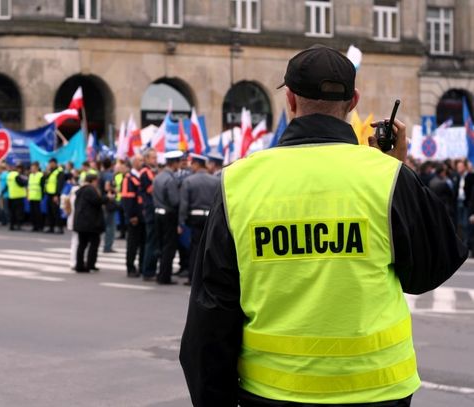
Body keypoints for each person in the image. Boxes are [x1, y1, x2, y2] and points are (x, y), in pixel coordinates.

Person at [180, 45, 468, 407]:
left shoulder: (238, 182)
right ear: (353, 101)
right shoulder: (388, 178)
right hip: (377, 393)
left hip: (273, 393)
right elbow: (430, 270)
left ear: (290, 100)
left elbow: (210, 317)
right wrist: (399, 170)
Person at [178, 153, 220, 286]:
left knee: (195, 248)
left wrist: (181, 221)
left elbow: (184, 204)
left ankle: (192, 278)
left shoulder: (189, 180)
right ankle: (209, 278)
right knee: (210, 248)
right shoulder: (215, 180)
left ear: (196, 164)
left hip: (194, 218)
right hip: (211, 217)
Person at [73, 173, 114, 272]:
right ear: (93, 181)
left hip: (81, 221)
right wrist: (108, 198)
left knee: (82, 244)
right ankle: (90, 264)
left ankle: (80, 265)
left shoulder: (81, 190)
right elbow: (97, 201)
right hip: (90, 222)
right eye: (96, 181)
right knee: (94, 243)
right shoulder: (90, 189)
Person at [153, 150, 183, 285]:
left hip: (158, 213)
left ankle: (160, 274)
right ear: (174, 163)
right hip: (168, 215)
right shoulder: (170, 179)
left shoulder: (158, 177)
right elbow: (175, 201)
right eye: (179, 162)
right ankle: (165, 276)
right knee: (169, 247)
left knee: (160, 245)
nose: (180, 165)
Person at [121, 155, 146, 278]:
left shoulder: (143, 175)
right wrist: (131, 215)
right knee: (132, 244)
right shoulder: (128, 178)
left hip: (143, 216)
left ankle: (142, 267)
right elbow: (126, 198)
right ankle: (130, 267)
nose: (142, 162)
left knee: (143, 243)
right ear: (134, 162)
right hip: (135, 216)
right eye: (140, 160)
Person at [140, 148, 159, 281]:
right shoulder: (146, 172)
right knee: (151, 242)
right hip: (150, 210)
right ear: (146, 159)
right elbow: (152, 189)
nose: (155, 160)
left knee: (152, 241)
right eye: (153, 158)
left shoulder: (151, 171)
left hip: (151, 209)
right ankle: (148, 271)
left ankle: (148, 269)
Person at [44, 158, 64, 234]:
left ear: (55, 163)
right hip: (49, 193)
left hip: (55, 194)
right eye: (49, 163)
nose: (50, 165)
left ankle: (60, 227)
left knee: (56, 212)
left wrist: (57, 194)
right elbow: (45, 179)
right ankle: (51, 227)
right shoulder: (50, 171)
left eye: (51, 163)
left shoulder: (59, 171)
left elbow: (60, 184)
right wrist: (47, 171)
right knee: (50, 212)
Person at [7, 164, 27, 231]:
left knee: (12, 212)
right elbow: (21, 184)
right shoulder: (16, 175)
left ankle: (12, 225)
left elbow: (7, 186)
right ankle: (18, 225)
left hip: (11, 196)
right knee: (19, 212)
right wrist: (26, 181)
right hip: (18, 196)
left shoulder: (9, 175)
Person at [27, 161, 45, 232]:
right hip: (31, 197)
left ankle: (40, 226)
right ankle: (34, 226)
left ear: (37, 168)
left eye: (33, 168)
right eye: (31, 168)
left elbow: (42, 186)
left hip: (38, 197)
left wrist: (42, 196)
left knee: (38, 213)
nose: (32, 169)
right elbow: (29, 186)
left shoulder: (40, 175)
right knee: (33, 213)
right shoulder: (30, 175)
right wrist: (28, 195)